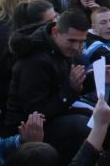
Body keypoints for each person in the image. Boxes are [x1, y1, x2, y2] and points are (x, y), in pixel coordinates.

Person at [6, 10, 92, 164]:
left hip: (56, 112)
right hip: (26, 128)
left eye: (81, 41)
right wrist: (70, 90)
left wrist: (95, 79)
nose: (77, 48)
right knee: (82, 125)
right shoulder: (35, 60)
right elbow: (36, 113)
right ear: (55, 32)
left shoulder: (60, 49)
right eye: (72, 41)